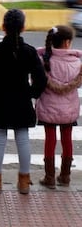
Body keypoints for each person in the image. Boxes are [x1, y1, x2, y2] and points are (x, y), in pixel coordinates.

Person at [0, 9, 47, 195]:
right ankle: (24, 181)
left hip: (0, 100)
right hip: (22, 101)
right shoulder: (30, 52)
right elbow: (41, 79)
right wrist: (32, 93)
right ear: (23, 28)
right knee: (22, 138)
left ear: (3, 27)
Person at [36, 26, 82, 189]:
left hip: (49, 108)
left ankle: (49, 177)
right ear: (67, 42)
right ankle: (65, 176)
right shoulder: (77, 62)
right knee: (67, 140)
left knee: (50, 140)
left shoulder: (45, 61)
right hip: (69, 111)